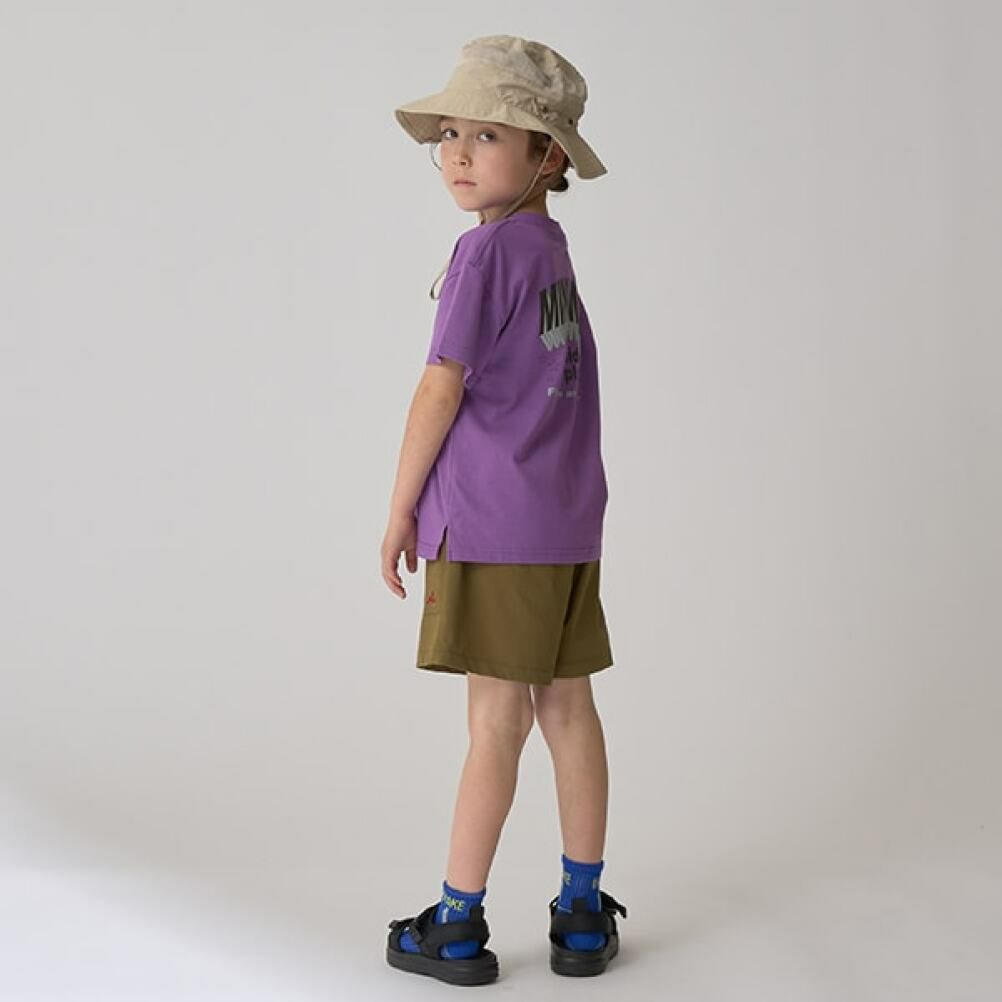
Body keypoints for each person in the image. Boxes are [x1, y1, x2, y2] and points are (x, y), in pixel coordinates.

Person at [380, 35, 627, 986]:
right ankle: (581, 911)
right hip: (566, 523)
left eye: (488, 134)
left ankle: (456, 921)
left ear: (546, 155)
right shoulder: (550, 252)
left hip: (493, 523)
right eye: (450, 133)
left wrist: (402, 507)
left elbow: (440, 386)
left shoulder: (483, 254)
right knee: (569, 709)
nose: (457, 152)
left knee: (494, 723)